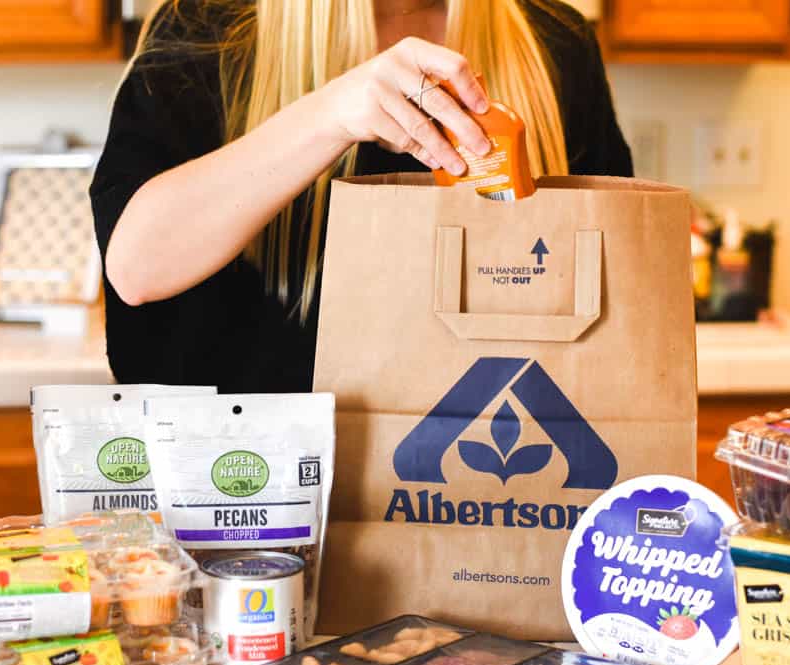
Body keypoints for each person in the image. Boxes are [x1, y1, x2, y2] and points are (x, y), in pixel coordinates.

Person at [91, 0, 632, 392]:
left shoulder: (554, 40)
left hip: (490, 503)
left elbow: (618, 298)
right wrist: (330, 116)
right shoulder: (211, 29)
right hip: (256, 510)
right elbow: (138, 268)